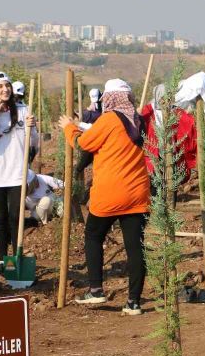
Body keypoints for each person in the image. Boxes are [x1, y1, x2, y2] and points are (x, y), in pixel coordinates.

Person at [59, 78, 149, 315]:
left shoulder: (109, 119)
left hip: (110, 193)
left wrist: (69, 126)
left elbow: (83, 143)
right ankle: (134, 303)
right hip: (137, 192)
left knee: (93, 236)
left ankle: (96, 289)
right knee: (135, 247)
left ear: (108, 98)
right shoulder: (138, 120)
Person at [0, 71, 38, 272]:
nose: (5, 89)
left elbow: (33, 142)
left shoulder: (22, 110)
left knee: (16, 217)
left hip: (17, 174)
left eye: (7, 85)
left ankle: (17, 258)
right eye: (0, 86)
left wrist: (32, 128)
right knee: (1, 218)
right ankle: (3, 261)